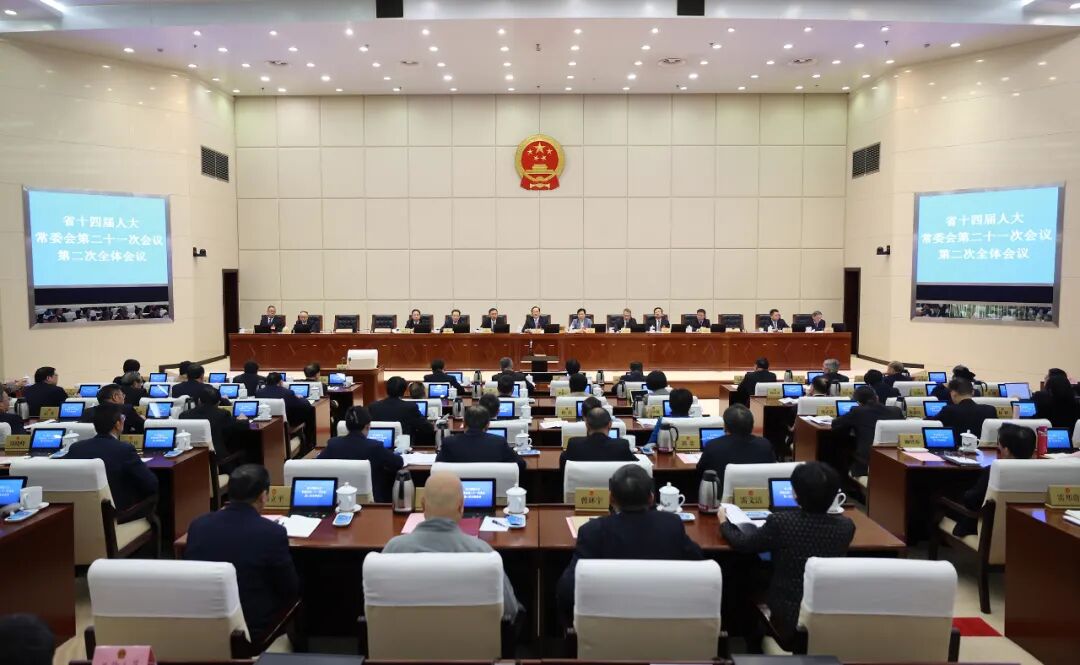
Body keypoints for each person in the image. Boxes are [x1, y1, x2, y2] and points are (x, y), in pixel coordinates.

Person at [721, 462, 855, 649]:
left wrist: (724, 523)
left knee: (745, 574)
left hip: (786, 618)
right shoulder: (846, 527)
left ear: (795, 494)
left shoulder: (782, 522)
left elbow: (744, 544)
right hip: (825, 612)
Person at [556, 465, 703, 622]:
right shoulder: (671, 525)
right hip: (665, 624)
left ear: (611, 498)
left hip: (608, 628)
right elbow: (700, 565)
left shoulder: (593, 531)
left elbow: (567, 591)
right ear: (651, 498)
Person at [382, 472, 522, 621]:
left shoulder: (392, 551)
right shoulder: (484, 554)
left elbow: (374, 608)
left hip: (408, 635)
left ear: (423, 506)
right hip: (469, 635)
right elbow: (510, 611)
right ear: (461, 507)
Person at [184, 464, 299, 640]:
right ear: (263, 496)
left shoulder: (198, 525)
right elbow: (289, 589)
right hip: (255, 632)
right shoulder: (272, 533)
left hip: (205, 627)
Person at [66, 404, 158, 520]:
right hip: (116, 516)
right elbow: (151, 484)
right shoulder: (124, 449)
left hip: (81, 516)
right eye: (123, 418)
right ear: (118, 424)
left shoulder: (76, 448)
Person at [949, 424, 1035, 536]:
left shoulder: (995, 470)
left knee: (941, 497)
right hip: (1025, 530)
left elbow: (971, 500)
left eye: (999, 445)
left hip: (985, 529)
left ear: (1006, 450)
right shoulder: (1038, 472)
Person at [319, 406, 404, 502]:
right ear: (367, 426)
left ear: (347, 426)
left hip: (339, 502)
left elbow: (317, 464)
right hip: (371, 503)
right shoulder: (375, 447)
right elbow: (398, 462)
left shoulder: (333, 444)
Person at [831, 386, 904, 476]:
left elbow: (835, 424)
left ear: (858, 402)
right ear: (876, 397)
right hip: (895, 462)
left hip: (866, 464)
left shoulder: (857, 411)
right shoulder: (896, 411)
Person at [435, 406, 526, 473]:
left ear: (464, 423)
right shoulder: (499, 442)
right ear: (488, 425)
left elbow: (437, 467)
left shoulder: (449, 443)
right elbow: (521, 464)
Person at [697, 404, 774, 481]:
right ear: (752, 425)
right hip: (757, 488)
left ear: (725, 427)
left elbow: (699, 471)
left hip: (721, 488)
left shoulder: (713, 446)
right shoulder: (765, 445)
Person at [181, 387, 249, 470]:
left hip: (189, 460)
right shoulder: (222, 414)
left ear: (199, 400)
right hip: (218, 461)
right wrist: (244, 420)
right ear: (218, 402)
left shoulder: (184, 415)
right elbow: (242, 427)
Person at [560, 407, 636, 472]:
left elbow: (564, 465)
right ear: (610, 425)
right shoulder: (622, 445)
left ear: (586, 425)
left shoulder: (574, 445)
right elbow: (635, 466)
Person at [368, 376, 432, 439]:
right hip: (405, 444)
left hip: (378, 441)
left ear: (387, 390)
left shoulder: (373, 406)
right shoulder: (410, 407)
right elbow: (427, 427)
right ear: (403, 392)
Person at [932, 378, 996, 439]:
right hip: (983, 447)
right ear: (973, 392)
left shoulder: (948, 410)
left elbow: (931, 424)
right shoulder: (990, 410)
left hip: (957, 446)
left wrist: (941, 385)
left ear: (953, 393)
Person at [80, 384, 145, 434]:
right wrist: (141, 419)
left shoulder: (87, 412)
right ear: (115, 397)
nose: (124, 398)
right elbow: (142, 428)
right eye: (123, 395)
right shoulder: (126, 409)